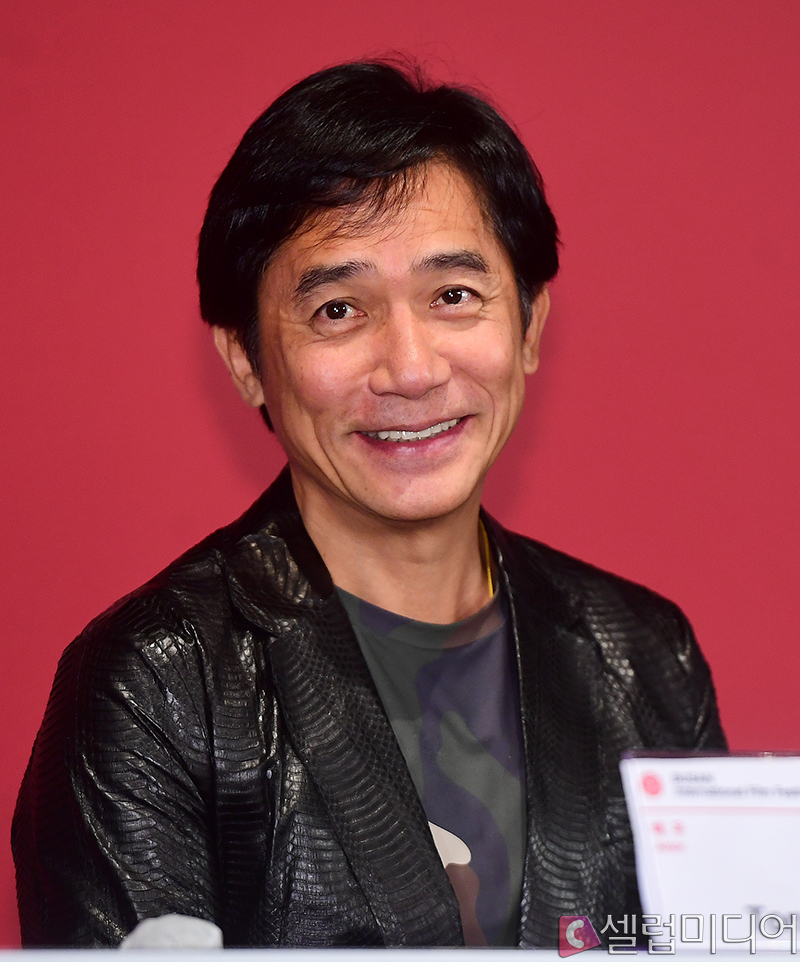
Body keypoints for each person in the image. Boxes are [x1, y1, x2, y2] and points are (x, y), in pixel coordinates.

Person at [12, 60, 726, 949]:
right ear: (245, 360)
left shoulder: (645, 656)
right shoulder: (156, 682)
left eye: (454, 296)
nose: (412, 370)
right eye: (339, 310)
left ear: (531, 326)